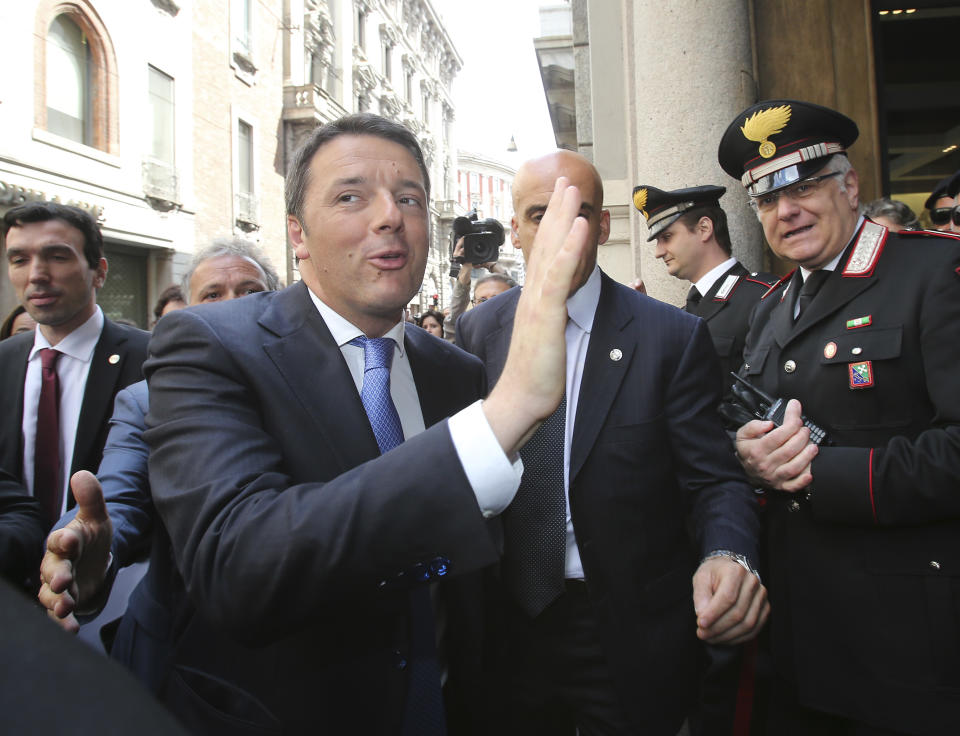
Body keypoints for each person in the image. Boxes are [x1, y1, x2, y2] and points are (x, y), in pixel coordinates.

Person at [107, 113, 590, 734]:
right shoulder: (206, 345)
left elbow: (473, 575)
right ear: (297, 234)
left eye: (409, 198)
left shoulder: (456, 372)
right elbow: (239, 567)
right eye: (350, 196)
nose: (390, 216)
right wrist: (509, 410)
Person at [456, 149, 767, 736]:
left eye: (578, 212)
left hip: (627, 631)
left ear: (602, 226)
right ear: (516, 229)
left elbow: (713, 480)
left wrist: (727, 553)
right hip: (506, 630)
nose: (558, 230)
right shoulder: (477, 332)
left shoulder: (669, 337)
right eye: (540, 213)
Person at [718, 98, 960, 735]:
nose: (787, 210)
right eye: (767, 200)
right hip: (797, 641)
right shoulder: (771, 308)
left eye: (804, 186)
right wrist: (748, 456)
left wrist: (821, 473)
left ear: (849, 185)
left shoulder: (933, 273)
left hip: (906, 644)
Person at [38, 238, 280, 637]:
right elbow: (118, 493)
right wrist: (93, 543)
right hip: (184, 643)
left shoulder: (312, 387)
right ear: (189, 312)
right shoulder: (142, 402)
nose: (231, 304)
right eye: (212, 294)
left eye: (250, 291)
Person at [0, 203, 149, 585]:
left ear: (99, 272)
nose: (36, 275)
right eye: (19, 259)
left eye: (56, 256)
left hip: (113, 589)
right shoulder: (2, 362)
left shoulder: (152, 358)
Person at [634, 183, 776, 393]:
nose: (658, 252)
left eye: (666, 237)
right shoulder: (682, 314)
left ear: (704, 229)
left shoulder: (764, 296)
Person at [442, 239, 516, 342]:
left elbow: (519, 295)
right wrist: (466, 265)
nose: (489, 304)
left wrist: (491, 264)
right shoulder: (466, 341)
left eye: (497, 299)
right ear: (474, 304)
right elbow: (454, 322)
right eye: (482, 300)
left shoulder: (521, 333)